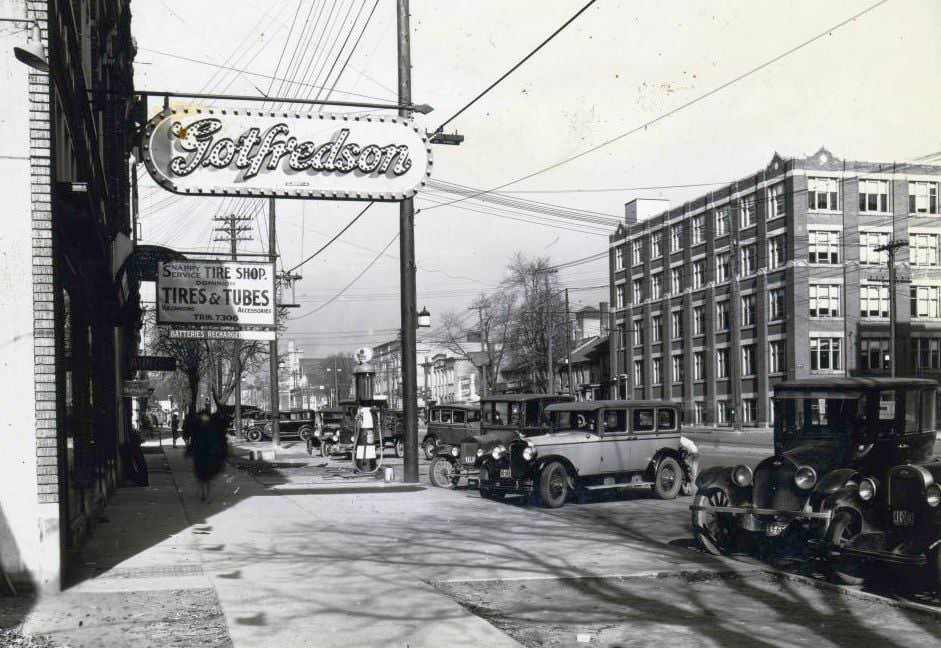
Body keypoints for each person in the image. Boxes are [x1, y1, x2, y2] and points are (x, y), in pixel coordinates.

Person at [192, 410, 228, 501]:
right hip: (204, 455)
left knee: (203, 477)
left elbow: (195, 443)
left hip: (202, 456)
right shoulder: (210, 430)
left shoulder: (200, 431)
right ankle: (205, 494)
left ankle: (204, 493)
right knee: (205, 477)